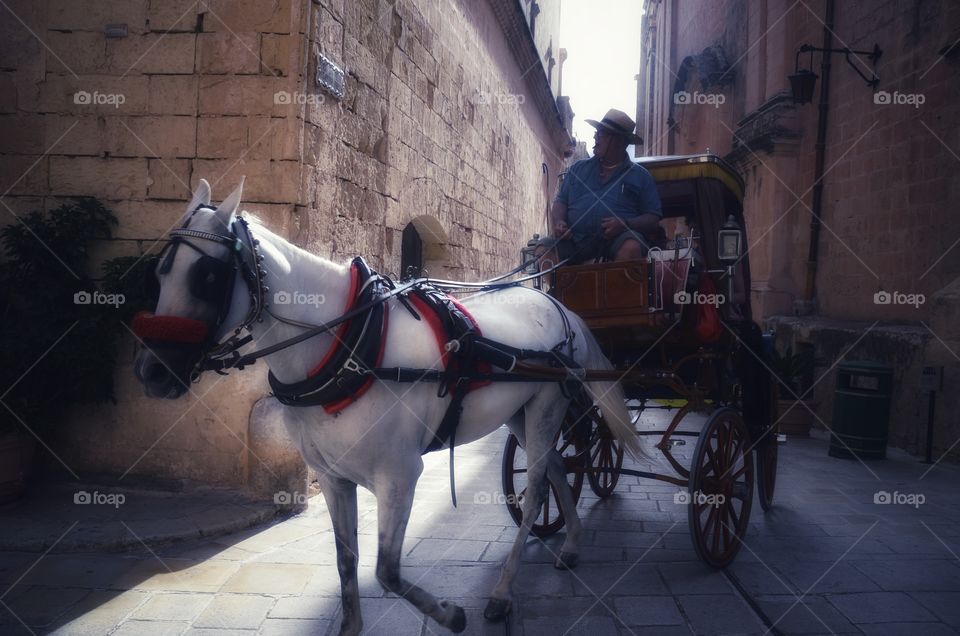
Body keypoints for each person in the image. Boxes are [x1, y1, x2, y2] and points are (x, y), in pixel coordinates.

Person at [550, 108, 662, 263]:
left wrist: (625, 224)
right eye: (597, 132)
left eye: (601, 133)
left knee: (631, 248)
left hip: (617, 241)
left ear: (619, 141)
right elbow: (561, 201)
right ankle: (557, 288)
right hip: (575, 241)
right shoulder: (577, 169)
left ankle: (619, 287)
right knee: (544, 251)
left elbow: (653, 219)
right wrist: (559, 222)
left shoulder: (641, 176)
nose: (595, 137)